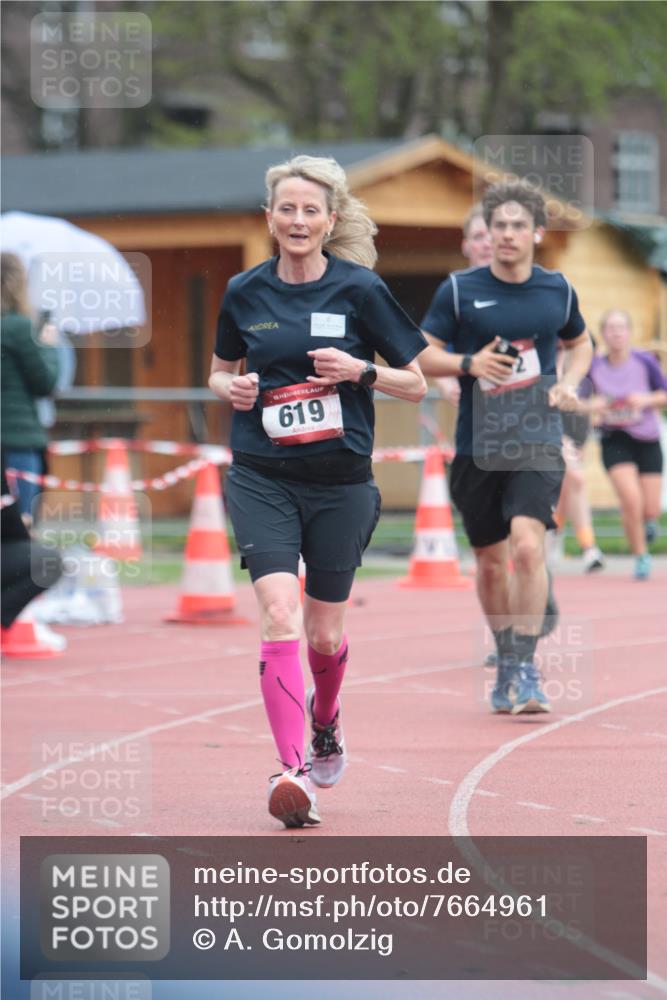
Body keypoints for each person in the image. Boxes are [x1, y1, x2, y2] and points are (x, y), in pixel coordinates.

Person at [209, 155, 427, 828]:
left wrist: (361, 370)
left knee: (323, 637)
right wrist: (233, 388)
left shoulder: (360, 291)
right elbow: (219, 372)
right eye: (286, 209)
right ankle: (291, 770)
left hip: (339, 483)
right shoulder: (244, 292)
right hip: (262, 473)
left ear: (329, 221)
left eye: (310, 211)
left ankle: (325, 720)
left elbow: (416, 383)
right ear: (268, 218)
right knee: (279, 613)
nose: (297, 221)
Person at [419, 180, 593, 715]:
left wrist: (571, 382)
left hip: (536, 439)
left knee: (527, 545)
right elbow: (422, 354)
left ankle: (524, 664)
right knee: (491, 564)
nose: (509, 234)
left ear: (537, 232)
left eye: (519, 225)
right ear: (487, 235)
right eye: (500, 226)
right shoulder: (457, 290)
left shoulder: (557, 289)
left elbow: (578, 341)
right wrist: (468, 365)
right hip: (478, 444)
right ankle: (504, 652)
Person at [583, 309, 667, 580]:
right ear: (604, 333)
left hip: (647, 437)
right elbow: (577, 401)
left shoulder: (644, 361)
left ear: (629, 332)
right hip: (614, 438)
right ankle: (641, 556)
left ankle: (649, 521)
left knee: (650, 507)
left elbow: (663, 393)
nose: (616, 333)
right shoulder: (594, 366)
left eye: (621, 328)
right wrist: (593, 405)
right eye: (610, 328)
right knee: (631, 500)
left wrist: (644, 400)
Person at [1, 253, 60, 527]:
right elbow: (45, 383)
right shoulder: (19, 327)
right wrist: (48, 344)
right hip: (17, 442)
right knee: (20, 529)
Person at [549, 339, 605, 573]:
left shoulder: (593, 372)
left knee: (566, 489)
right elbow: (555, 400)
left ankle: (552, 537)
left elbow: (602, 403)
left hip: (577, 436)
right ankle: (589, 547)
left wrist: (591, 409)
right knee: (576, 480)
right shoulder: (551, 364)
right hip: (550, 433)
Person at [436, 205, 492, 408]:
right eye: (478, 237)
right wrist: (445, 382)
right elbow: (426, 350)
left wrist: (562, 380)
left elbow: (565, 344)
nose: (487, 244)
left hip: (531, 412)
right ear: (465, 245)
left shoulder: (527, 287)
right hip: (476, 409)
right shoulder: (454, 292)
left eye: (492, 236)